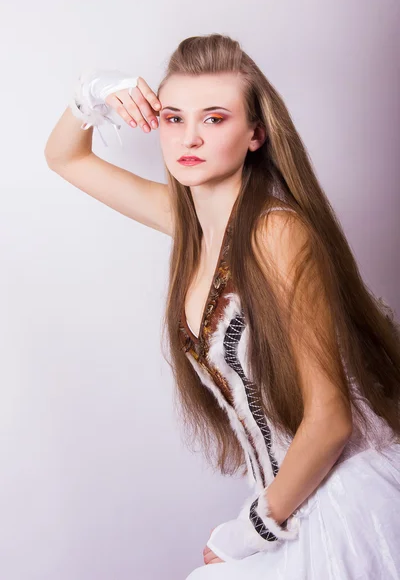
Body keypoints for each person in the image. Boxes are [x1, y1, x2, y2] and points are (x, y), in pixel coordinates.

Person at [44, 33, 400, 579]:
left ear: (255, 134)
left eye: (214, 119)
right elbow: (64, 157)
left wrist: (250, 530)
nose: (189, 136)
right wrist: (94, 92)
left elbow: (330, 419)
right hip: (290, 503)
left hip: (342, 502)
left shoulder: (275, 231)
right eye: (172, 118)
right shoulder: (189, 225)